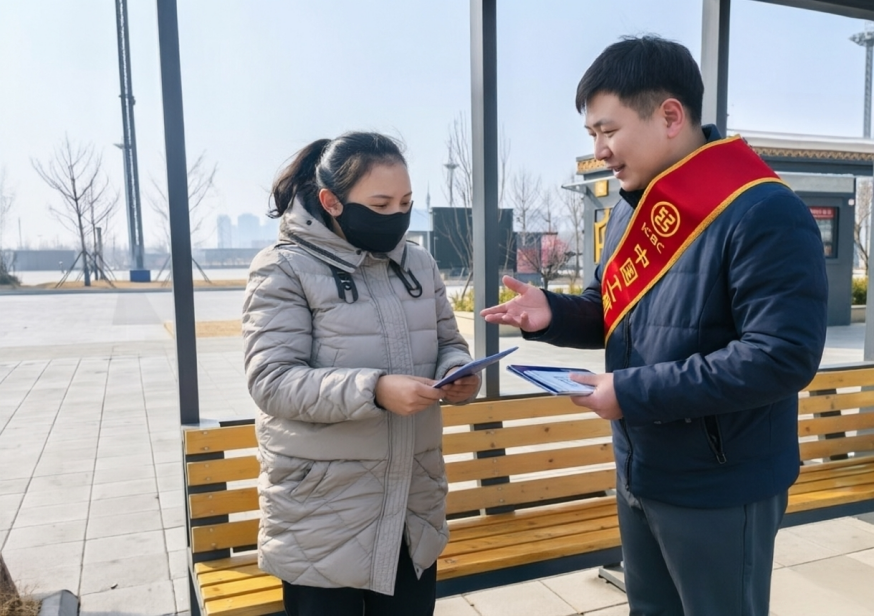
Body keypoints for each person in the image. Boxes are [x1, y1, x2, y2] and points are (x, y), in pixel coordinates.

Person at [482, 36, 828, 616]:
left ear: (670, 116)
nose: (599, 151)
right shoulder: (631, 208)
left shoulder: (763, 210)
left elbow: (780, 357)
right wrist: (553, 313)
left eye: (608, 131)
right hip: (641, 469)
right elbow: (612, 310)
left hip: (721, 482)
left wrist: (631, 392)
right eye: (591, 134)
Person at [242, 131, 480, 616]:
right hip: (322, 514)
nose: (396, 215)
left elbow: (449, 342)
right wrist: (375, 390)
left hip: (412, 509)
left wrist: (457, 371)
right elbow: (272, 380)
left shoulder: (419, 263)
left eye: (406, 203)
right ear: (331, 202)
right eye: (380, 204)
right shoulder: (283, 268)